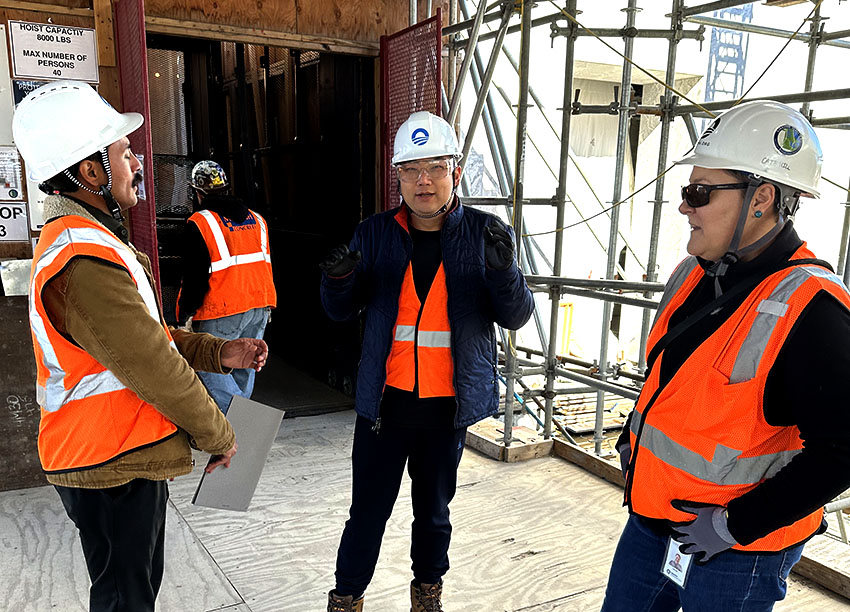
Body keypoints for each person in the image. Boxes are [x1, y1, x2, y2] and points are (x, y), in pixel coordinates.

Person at [12, 80, 268, 612]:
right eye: (125, 152)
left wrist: (218, 352)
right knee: (125, 599)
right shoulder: (83, 259)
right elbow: (152, 364)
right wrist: (220, 435)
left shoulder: (98, 239)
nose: (136, 163)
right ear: (91, 172)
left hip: (122, 453)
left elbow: (152, 336)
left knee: (135, 589)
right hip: (107, 460)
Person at [601, 100, 850, 611]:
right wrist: (633, 436)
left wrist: (735, 524)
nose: (684, 207)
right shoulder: (691, 274)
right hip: (653, 518)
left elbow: (843, 450)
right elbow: (670, 382)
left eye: (700, 193)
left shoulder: (814, 310)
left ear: (761, 197)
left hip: (736, 552)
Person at [320, 111, 534, 612]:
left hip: (445, 412)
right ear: (397, 177)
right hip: (384, 409)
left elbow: (517, 315)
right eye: (411, 169)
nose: (423, 181)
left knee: (434, 516)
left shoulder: (486, 233)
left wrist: (503, 272)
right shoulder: (373, 234)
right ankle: (346, 598)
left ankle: (427, 596)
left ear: (455, 172)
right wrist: (338, 281)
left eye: (435, 167)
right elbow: (338, 312)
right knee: (366, 514)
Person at [177, 160, 277, 413]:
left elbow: (195, 277)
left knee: (209, 364)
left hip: (223, 310)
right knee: (245, 368)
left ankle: (244, 428)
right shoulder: (257, 220)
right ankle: (243, 426)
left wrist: (184, 314)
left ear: (197, 193)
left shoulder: (201, 222)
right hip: (260, 306)